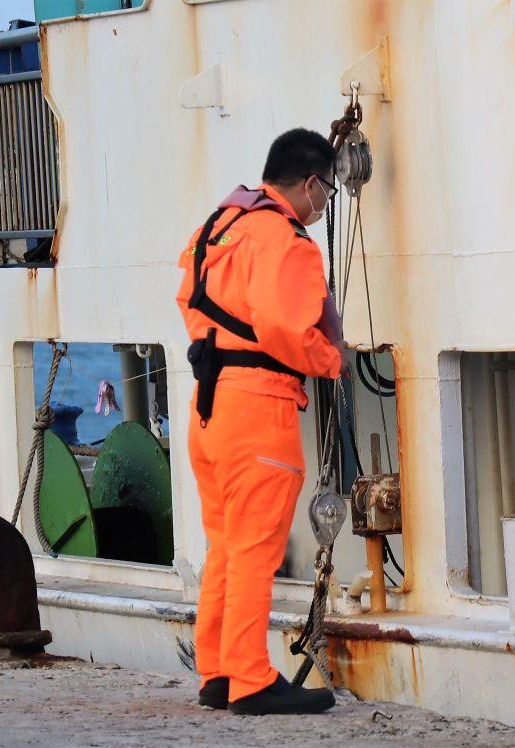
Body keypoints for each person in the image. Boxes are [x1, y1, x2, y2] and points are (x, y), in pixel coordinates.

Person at [176, 128, 349, 715]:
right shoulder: (287, 240)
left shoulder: (217, 227)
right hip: (259, 408)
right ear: (308, 183)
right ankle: (251, 679)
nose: (324, 203)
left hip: (208, 402)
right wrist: (333, 361)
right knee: (254, 547)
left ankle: (218, 672)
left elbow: (188, 299)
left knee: (225, 543)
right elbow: (285, 328)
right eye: (326, 191)